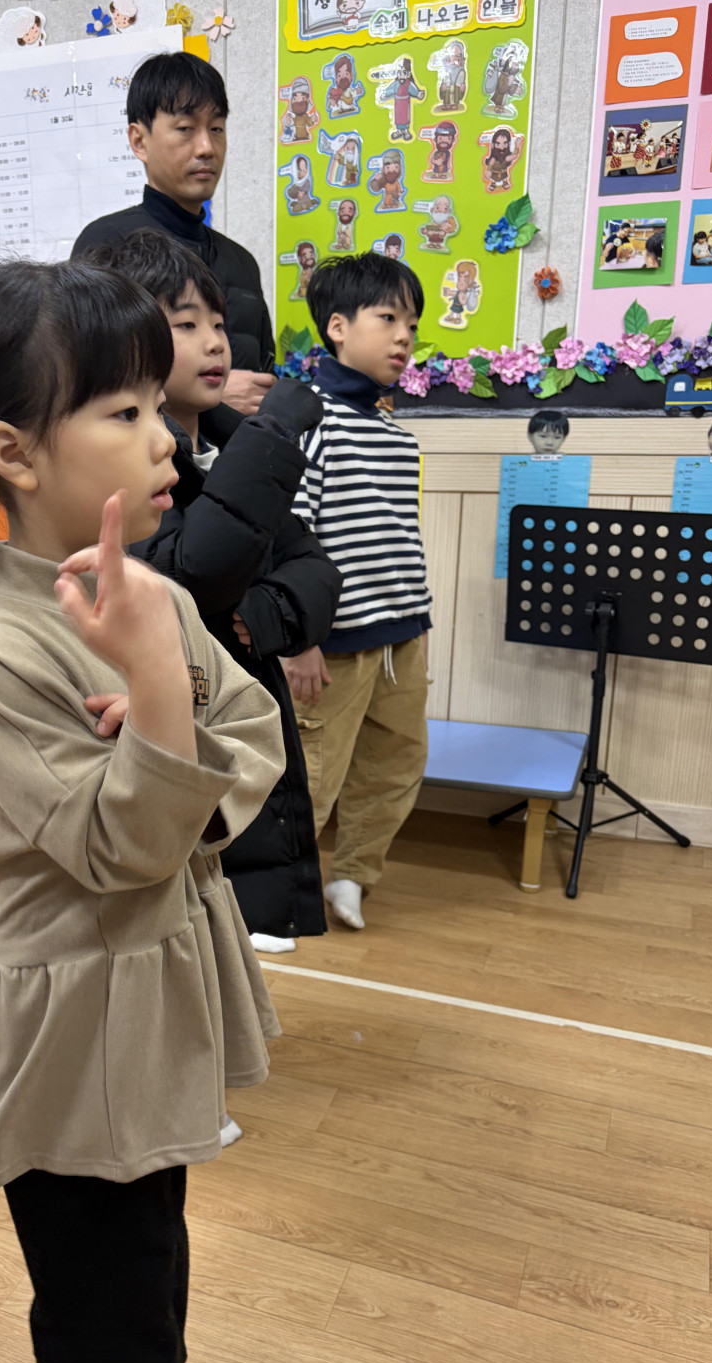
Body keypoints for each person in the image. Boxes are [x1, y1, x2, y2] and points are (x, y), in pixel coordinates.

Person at [0, 258, 285, 1363]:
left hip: (148, 985)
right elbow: (123, 848)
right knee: (95, 1297)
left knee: (148, 1247)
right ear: (14, 453)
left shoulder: (143, 593)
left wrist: (166, 713)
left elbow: (257, 733)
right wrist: (164, 699)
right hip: (70, 1027)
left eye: (156, 405)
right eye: (123, 411)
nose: (165, 435)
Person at [86, 227, 339, 968]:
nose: (215, 342)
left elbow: (316, 570)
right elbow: (195, 573)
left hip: (241, 723)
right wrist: (277, 429)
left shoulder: (225, 447)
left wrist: (266, 615)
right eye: (186, 324)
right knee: (184, 939)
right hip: (172, 737)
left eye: (220, 323)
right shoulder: (128, 467)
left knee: (230, 957)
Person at [283, 253, 432, 934]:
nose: (404, 337)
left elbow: (398, 537)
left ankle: (353, 874)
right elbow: (288, 536)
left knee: (394, 763)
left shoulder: (395, 434)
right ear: (338, 327)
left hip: (402, 634)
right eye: (389, 318)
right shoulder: (311, 422)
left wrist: (415, 621)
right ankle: (272, 900)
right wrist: (298, 639)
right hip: (332, 644)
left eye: (413, 325)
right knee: (311, 775)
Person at [74, 53, 275, 417]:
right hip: (152, 453)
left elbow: (263, 377)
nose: (206, 148)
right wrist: (210, 399)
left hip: (241, 454)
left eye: (216, 129)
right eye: (185, 129)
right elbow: (89, 388)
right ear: (139, 141)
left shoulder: (242, 263)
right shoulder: (107, 244)